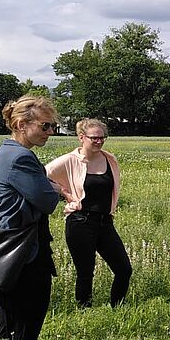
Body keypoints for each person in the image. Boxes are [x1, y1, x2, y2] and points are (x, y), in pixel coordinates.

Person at [0, 95, 63, 340]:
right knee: (21, 321)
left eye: (52, 126)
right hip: (22, 253)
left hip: (14, 247)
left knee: (10, 320)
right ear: (21, 124)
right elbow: (47, 201)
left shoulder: (4, 151)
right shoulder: (21, 157)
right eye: (45, 126)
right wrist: (54, 189)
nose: (50, 132)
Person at [46, 118, 132, 308]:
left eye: (103, 138)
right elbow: (42, 175)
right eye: (94, 138)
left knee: (124, 268)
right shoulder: (70, 160)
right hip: (80, 222)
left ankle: (118, 307)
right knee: (85, 272)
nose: (99, 142)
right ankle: (84, 310)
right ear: (81, 138)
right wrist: (65, 193)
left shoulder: (109, 159)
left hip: (105, 222)